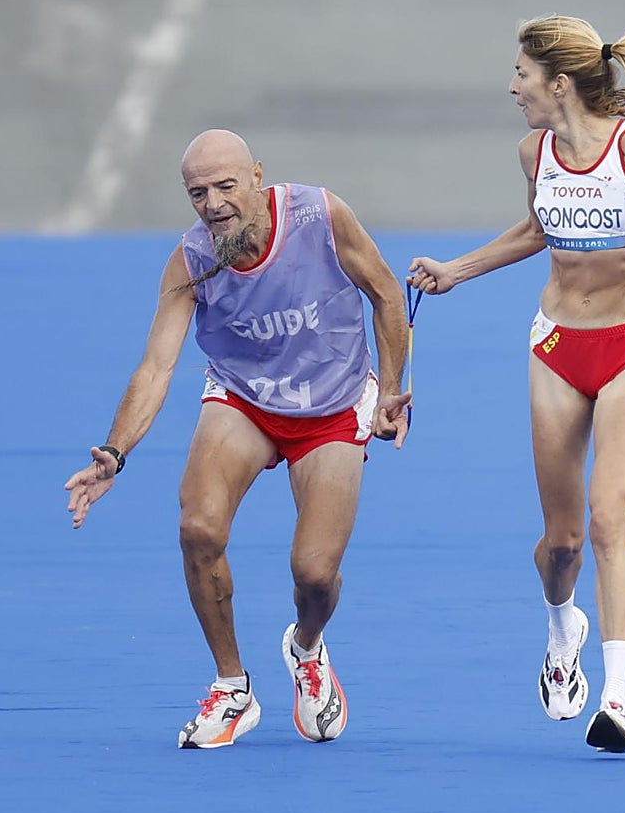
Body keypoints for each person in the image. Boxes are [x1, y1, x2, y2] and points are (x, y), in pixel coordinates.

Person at [408, 16, 625, 753]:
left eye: (521, 74)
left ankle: (617, 701)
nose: (511, 87)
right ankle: (562, 628)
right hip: (556, 348)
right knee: (563, 542)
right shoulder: (535, 152)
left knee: (610, 518)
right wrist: (457, 270)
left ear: (559, 84)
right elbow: (534, 232)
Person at [64, 129, 410, 749]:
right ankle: (231, 687)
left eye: (225, 186)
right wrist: (115, 453)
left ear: (257, 176)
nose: (214, 204)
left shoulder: (320, 215)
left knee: (314, 573)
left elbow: (385, 294)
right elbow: (157, 366)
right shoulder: (191, 260)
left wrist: (389, 392)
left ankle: (306, 647)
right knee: (198, 528)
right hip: (244, 399)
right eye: (198, 193)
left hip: (333, 404)